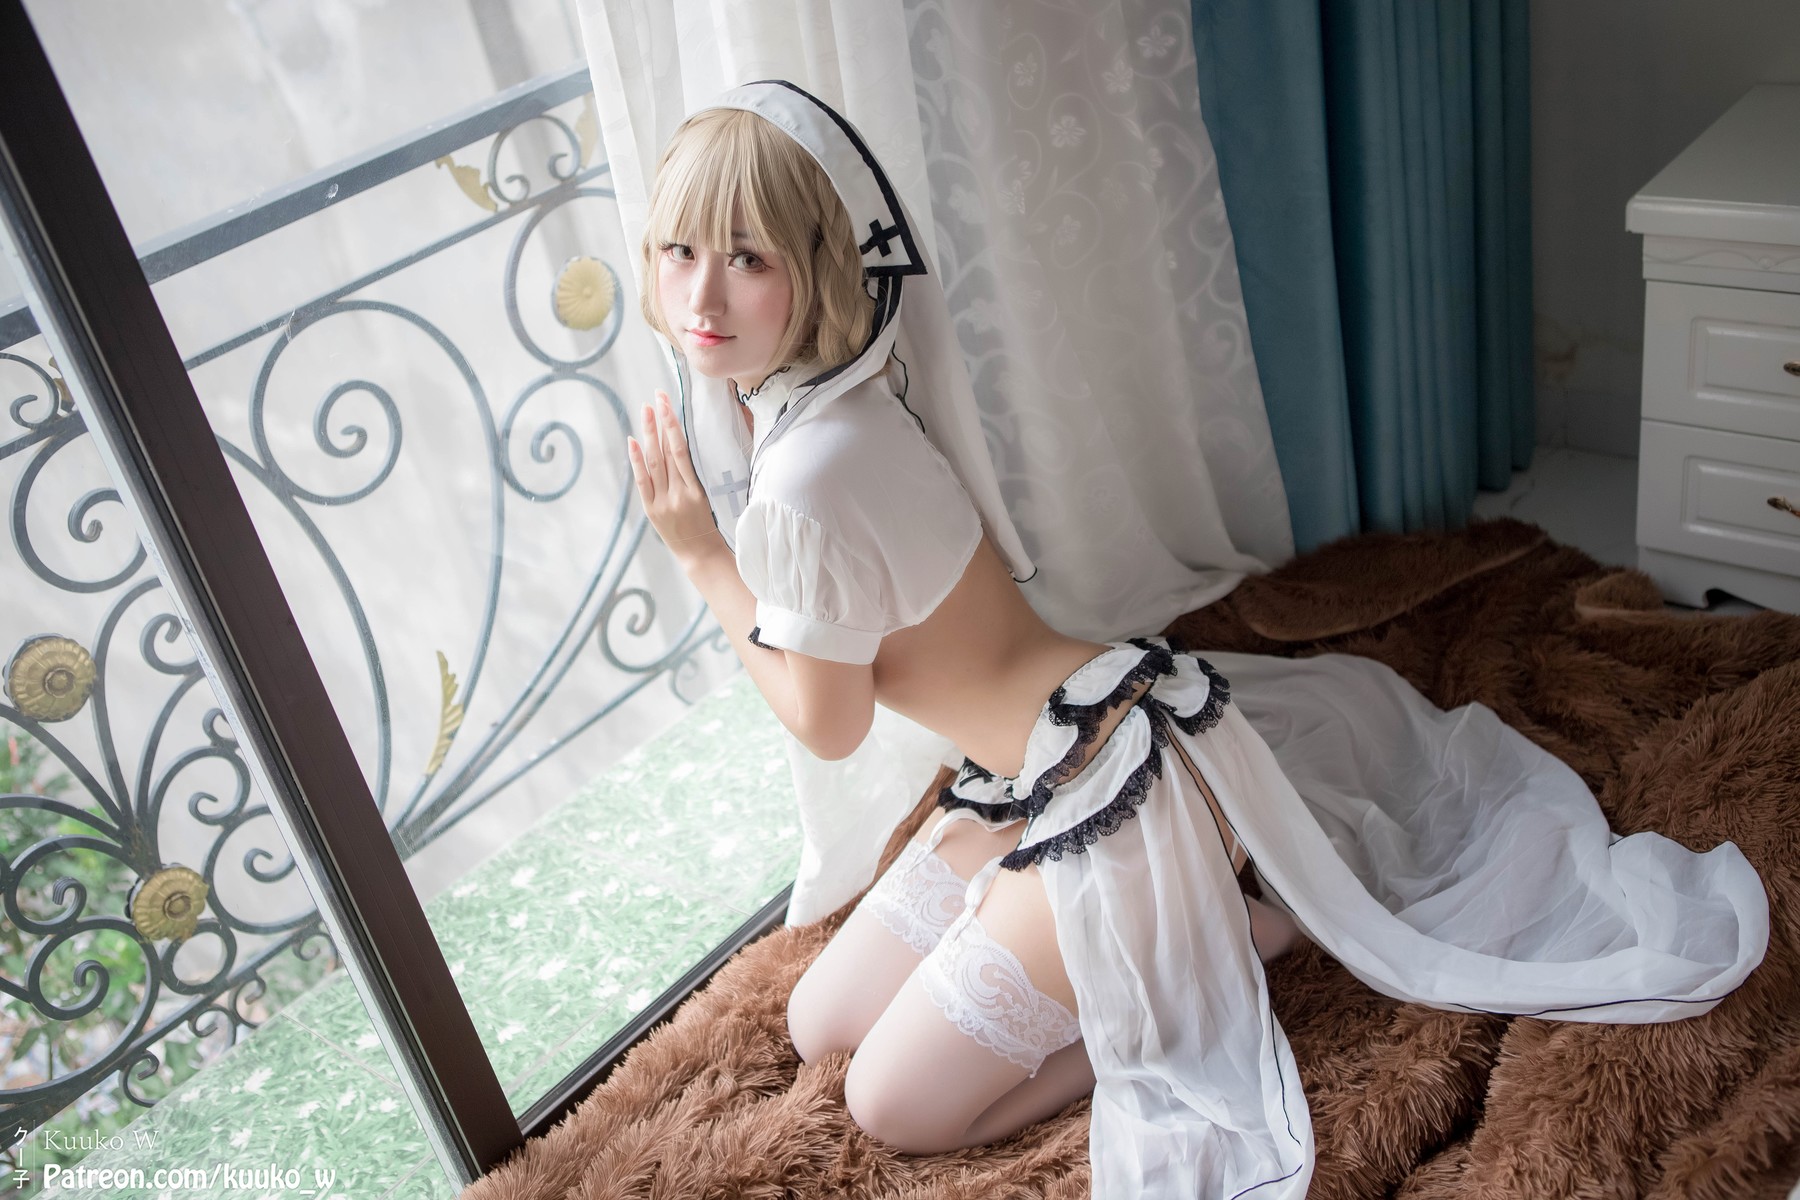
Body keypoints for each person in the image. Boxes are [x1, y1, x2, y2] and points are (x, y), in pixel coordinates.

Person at [625, 80, 1770, 1200]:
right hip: (1033, 770)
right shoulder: (833, 395)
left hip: (1110, 789)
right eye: (680, 251)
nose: (702, 294)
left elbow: (828, 726)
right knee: (817, 1021)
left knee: (893, 1106)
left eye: (749, 258)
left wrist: (703, 559)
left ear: (819, 266)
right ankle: (1159, 921)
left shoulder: (808, 473)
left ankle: (1220, 939)